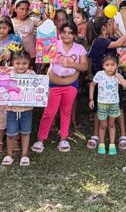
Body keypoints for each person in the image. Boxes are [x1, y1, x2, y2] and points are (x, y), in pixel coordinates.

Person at [32, 23, 88, 153]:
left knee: (66, 111)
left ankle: (64, 138)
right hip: (54, 83)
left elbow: (84, 66)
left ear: (74, 35)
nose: (66, 35)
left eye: (70, 32)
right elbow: (43, 56)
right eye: (64, 32)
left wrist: (72, 64)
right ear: (60, 33)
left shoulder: (79, 48)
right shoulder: (54, 44)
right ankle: (40, 139)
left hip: (71, 85)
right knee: (49, 112)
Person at [90, 52, 126, 155]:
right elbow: (92, 85)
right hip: (102, 104)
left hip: (114, 104)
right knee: (103, 125)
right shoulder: (99, 74)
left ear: (117, 65)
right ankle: (102, 143)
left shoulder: (117, 76)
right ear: (103, 65)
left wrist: (118, 76)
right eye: (107, 65)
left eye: (113, 65)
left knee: (111, 124)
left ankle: (112, 144)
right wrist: (91, 99)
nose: (110, 68)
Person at [2, 50, 35, 166]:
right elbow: (0, 89)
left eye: (24, 63)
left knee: (26, 132)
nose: (21, 66)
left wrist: (44, 95)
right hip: (11, 109)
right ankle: (9, 155)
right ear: (13, 62)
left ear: (29, 63)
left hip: (27, 110)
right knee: (11, 133)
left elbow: (38, 90)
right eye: (18, 63)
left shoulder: (32, 74)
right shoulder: (7, 73)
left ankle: (24, 155)